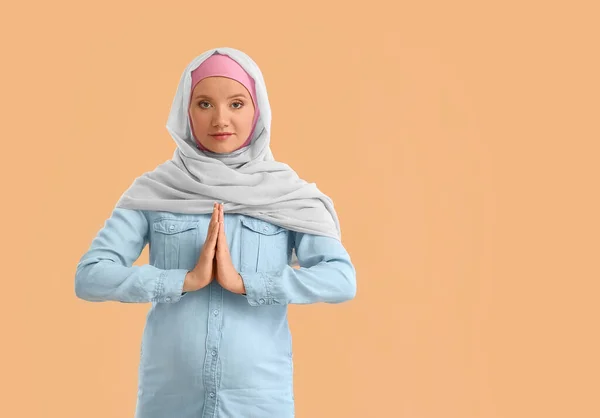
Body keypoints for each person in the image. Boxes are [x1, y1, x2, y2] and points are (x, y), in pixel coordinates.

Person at [74, 46, 356, 418]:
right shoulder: (156, 191)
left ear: (258, 111)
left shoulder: (287, 194)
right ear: (185, 113)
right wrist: (181, 281)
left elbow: (340, 279)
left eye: (236, 104)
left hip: (258, 404)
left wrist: (247, 283)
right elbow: (90, 276)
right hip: (169, 402)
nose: (220, 119)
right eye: (204, 104)